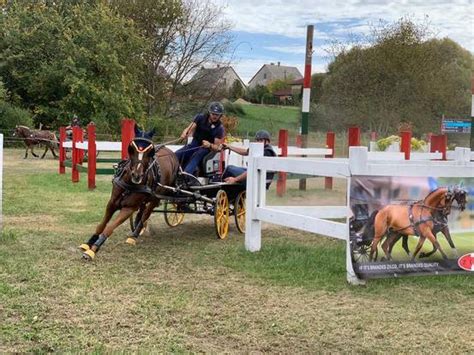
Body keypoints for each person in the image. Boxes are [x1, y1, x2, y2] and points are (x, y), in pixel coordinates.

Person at [175, 102, 225, 175]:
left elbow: (217, 147)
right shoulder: (200, 118)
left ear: (220, 115)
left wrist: (210, 145)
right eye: (213, 114)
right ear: (209, 113)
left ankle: (186, 175)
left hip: (206, 148)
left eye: (217, 115)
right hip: (195, 142)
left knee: (197, 155)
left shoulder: (219, 128)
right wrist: (185, 132)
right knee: (179, 153)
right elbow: (189, 129)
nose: (215, 116)